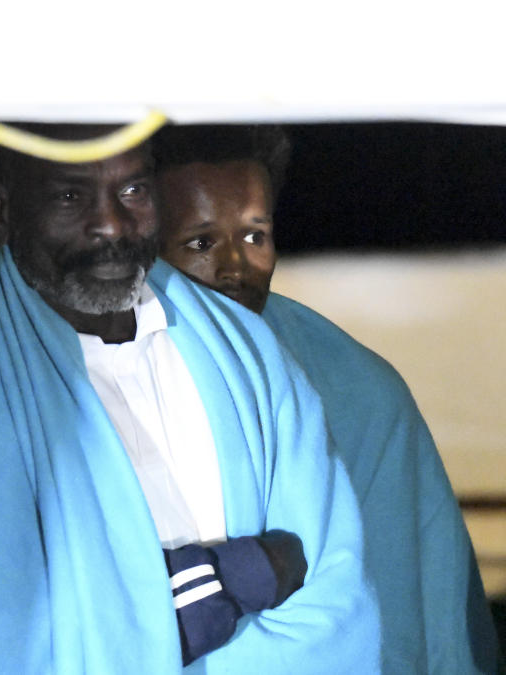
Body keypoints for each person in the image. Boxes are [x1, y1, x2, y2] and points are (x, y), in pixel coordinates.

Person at [0, 124, 379, 673]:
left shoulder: (245, 349)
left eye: (133, 191)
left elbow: (329, 586)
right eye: (69, 196)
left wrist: (168, 599)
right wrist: (229, 578)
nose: (110, 223)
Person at [154, 123, 502, 673]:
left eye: (254, 236)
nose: (234, 267)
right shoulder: (112, 372)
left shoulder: (362, 388)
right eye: (200, 243)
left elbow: (419, 606)